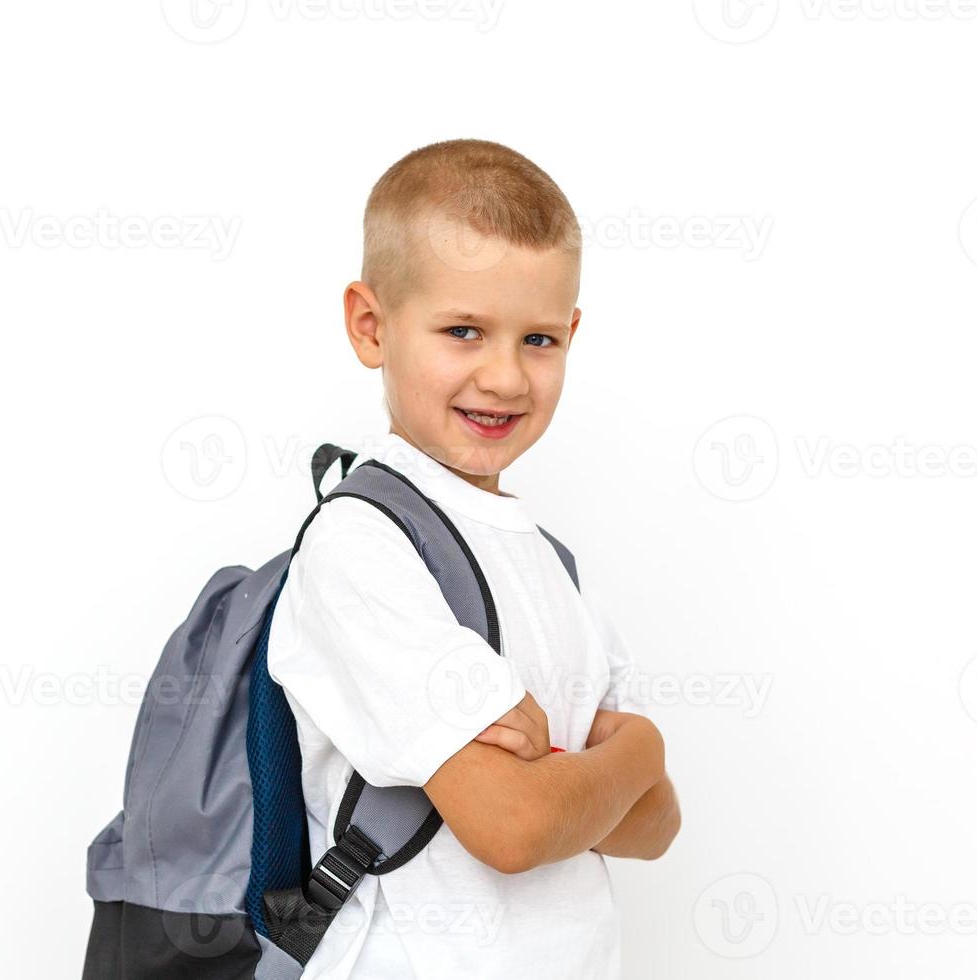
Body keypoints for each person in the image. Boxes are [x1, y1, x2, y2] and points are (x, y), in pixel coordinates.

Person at [267, 138, 680, 979]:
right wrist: (633, 753)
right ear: (370, 325)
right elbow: (515, 829)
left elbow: (656, 829)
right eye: (463, 330)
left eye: (538, 340)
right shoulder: (361, 544)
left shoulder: (550, 564)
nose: (505, 377)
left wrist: (594, 782)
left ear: (572, 333)